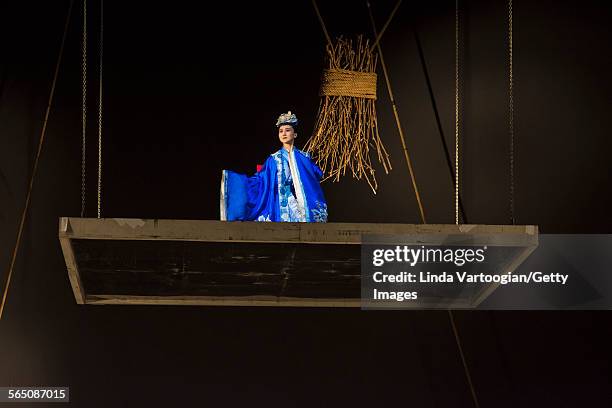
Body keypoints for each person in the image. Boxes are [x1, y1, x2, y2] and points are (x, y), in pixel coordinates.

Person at [220, 111, 328, 222]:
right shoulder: (273, 159)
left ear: (295, 134)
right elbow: (262, 179)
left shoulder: (304, 157)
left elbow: (316, 174)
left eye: (287, 130)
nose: (284, 134)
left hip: (299, 202)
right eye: (281, 131)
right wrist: (240, 183)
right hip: (278, 201)